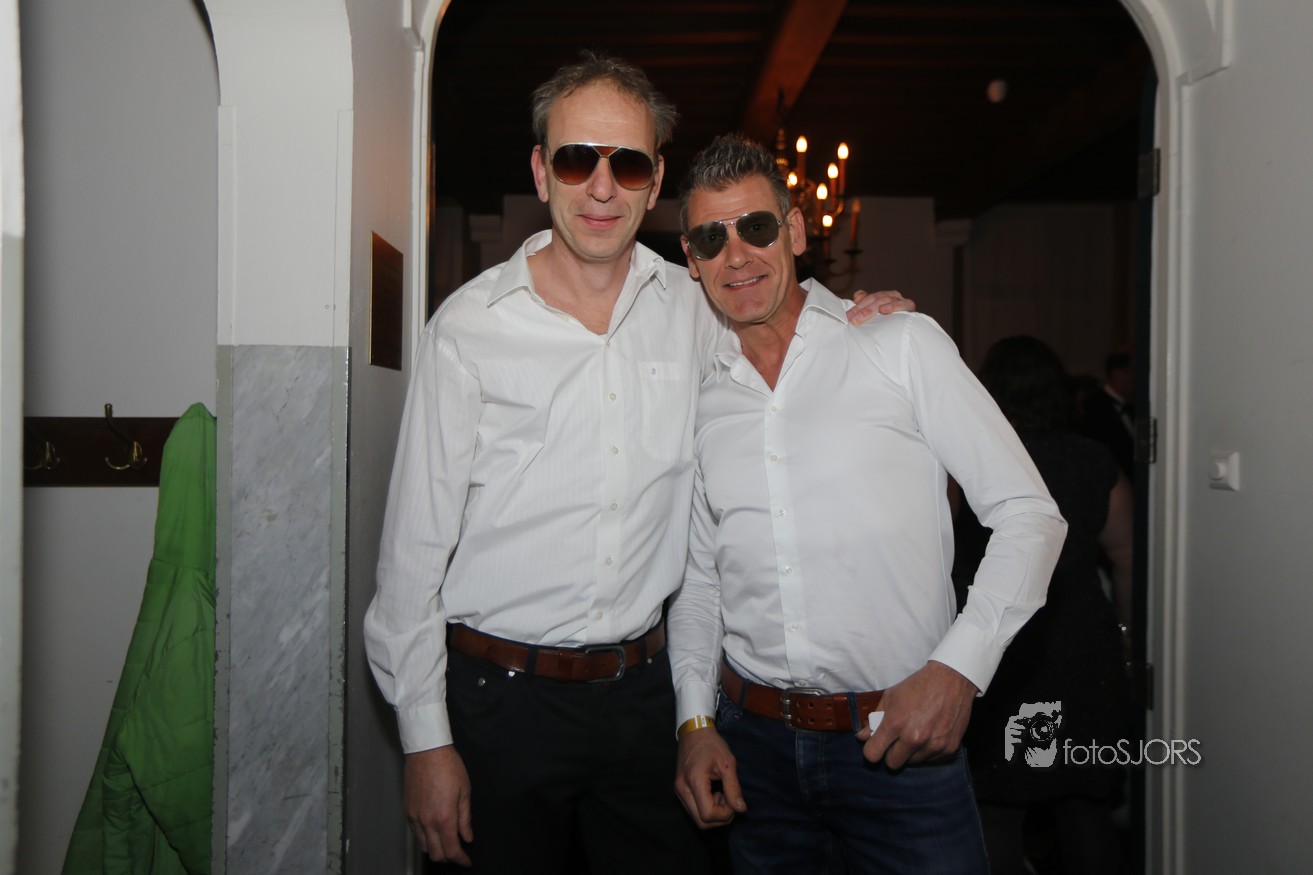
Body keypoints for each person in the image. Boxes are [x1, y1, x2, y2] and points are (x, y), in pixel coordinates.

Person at [363, 54, 910, 872]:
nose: (600, 187)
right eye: (576, 160)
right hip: (497, 702)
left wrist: (861, 315)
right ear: (540, 171)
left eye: (626, 164)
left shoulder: (691, 305)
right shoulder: (469, 329)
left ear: (654, 183)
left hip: (645, 700)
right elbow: (411, 557)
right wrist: (423, 741)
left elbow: (775, 312)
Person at [667, 134, 1068, 874]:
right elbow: (700, 581)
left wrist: (958, 670)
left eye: (756, 227)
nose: (737, 255)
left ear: (794, 231)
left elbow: (1029, 515)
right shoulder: (700, 394)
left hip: (898, 741)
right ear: (691, 259)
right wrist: (694, 722)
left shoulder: (899, 344)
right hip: (753, 753)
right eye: (711, 239)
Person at [953, 335, 1134, 875]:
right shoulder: (1094, 460)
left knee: (997, 807)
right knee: (1084, 806)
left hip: (1001, 647)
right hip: (1081, 646)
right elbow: (1126, 556)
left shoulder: (971, 462)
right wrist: (1126, 636)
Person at [1079, 348, 1136, 477]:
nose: (1137, 377)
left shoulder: (1136, 407)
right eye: (1133, 371)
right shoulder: (1093, 407)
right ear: (1117, 373)